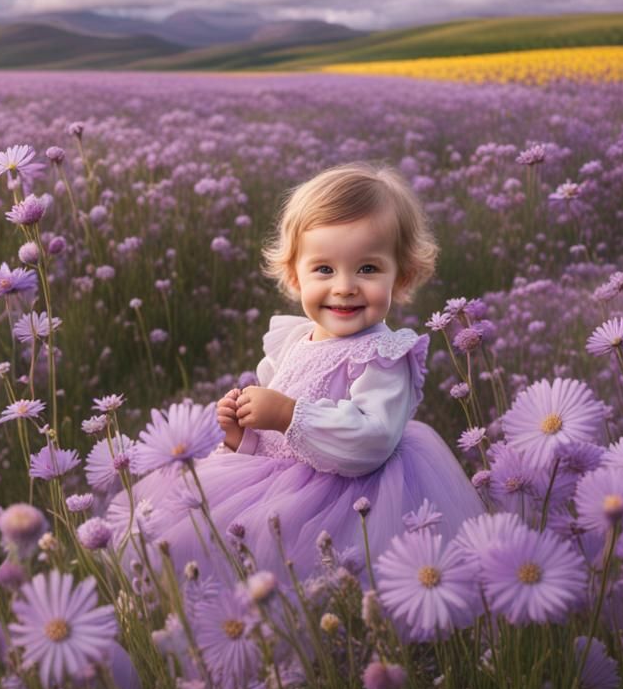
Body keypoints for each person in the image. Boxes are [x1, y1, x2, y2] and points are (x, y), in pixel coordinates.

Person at [107, 161, 484, 590]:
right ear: (293, 275)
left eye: (368, 269)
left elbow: (372, 440)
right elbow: (275, 440)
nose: (344, 286)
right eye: (324, 269)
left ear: (403, 276)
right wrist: (242, 434)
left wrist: (289, 413)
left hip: (349, 505)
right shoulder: (292, 341)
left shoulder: (383, 355)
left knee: (319, 591)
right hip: (271, 486)